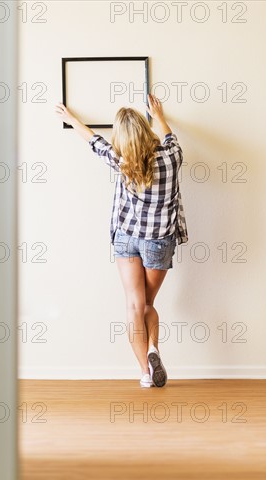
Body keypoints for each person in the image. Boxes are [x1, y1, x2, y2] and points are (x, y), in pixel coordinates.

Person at [55, 94, 188, 388]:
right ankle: (153, 349)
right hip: (158, 242)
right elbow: (170, 137)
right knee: (148, 303)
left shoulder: (121, 161)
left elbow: (95, 142)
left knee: (133, 306)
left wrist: (73, 119)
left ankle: (145, 373)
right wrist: (159, 115)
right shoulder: (171, 158)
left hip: (127, 240)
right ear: (144, 128)